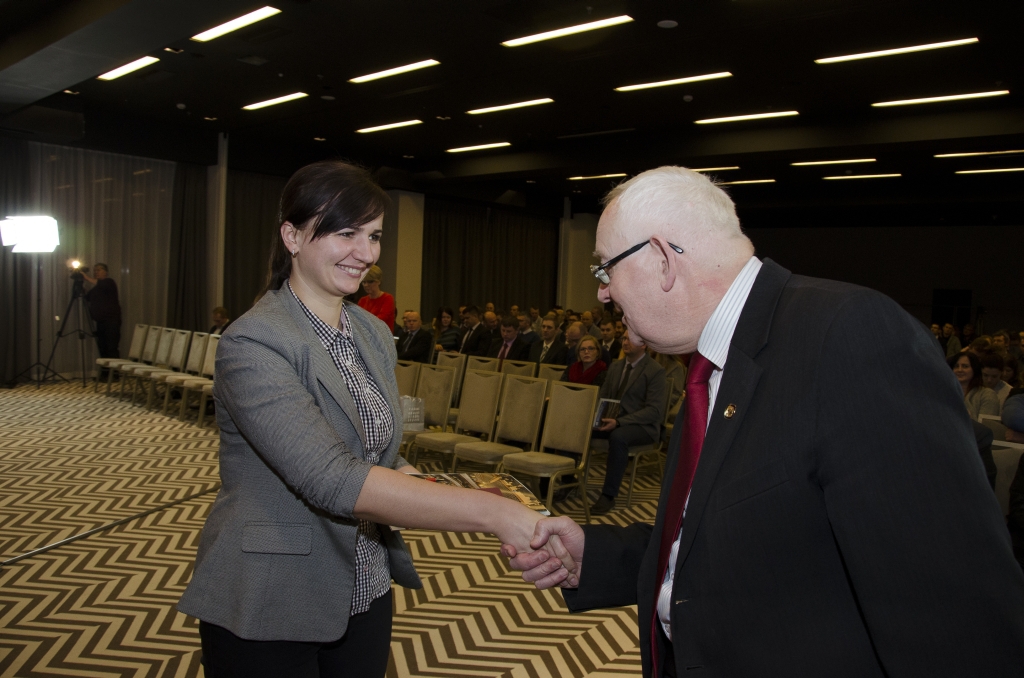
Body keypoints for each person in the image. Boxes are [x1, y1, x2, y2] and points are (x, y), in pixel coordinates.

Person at [505, 166, 1024, 677]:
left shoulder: (849, 336)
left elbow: (953, 618)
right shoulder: (712, 364)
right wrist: (596, 556)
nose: (602, 292)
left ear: (661, 260)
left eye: (605, 269)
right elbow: (727, 538)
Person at [177, 161, 571, 678]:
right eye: (346, 233)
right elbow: (330, 477)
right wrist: (492, 513)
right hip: (271, 594)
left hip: (365, 582)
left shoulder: (371, 332)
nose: (365, 253)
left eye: (374, 236)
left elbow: (376, 451)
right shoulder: (254, 341)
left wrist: (426, 480)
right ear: (292, 237)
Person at [588, 328, 667, 515]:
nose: (624, 342)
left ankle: (608, 495)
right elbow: (603, 396)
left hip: (643, 427)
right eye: (623, 338)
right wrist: (596, 417)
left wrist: (619, 422)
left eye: (630, 339)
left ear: (644, 344)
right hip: (613, 420)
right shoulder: (616, 367)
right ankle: (567, 481)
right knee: (581, 428)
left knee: (618, 436)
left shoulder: (655, 370)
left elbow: (654, 411)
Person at [83, 263, 122, 378]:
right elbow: (86, 298)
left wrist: (85, 277)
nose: (96, 272)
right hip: (100, 322)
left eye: (99, 270)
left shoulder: (109, 282)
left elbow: (100, 284)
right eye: (95, 270)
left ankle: (114, 374)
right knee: (102, 348)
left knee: (111, 348)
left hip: (111, 321)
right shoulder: (96, 289)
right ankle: (105, 374)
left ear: (106, 272)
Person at [949, 352, 1000, 420]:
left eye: (965, 366)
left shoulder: (987, 395)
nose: (960, 370)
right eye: (956, 366)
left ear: (974, 369)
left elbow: (986, 425)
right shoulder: (946, 393)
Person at [356, 265, 395, 329]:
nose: (366, 285)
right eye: (364, 282)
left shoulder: (387, 298)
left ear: (378, 281)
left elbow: (380, 319)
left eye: (370, 281)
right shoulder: (362, 300)